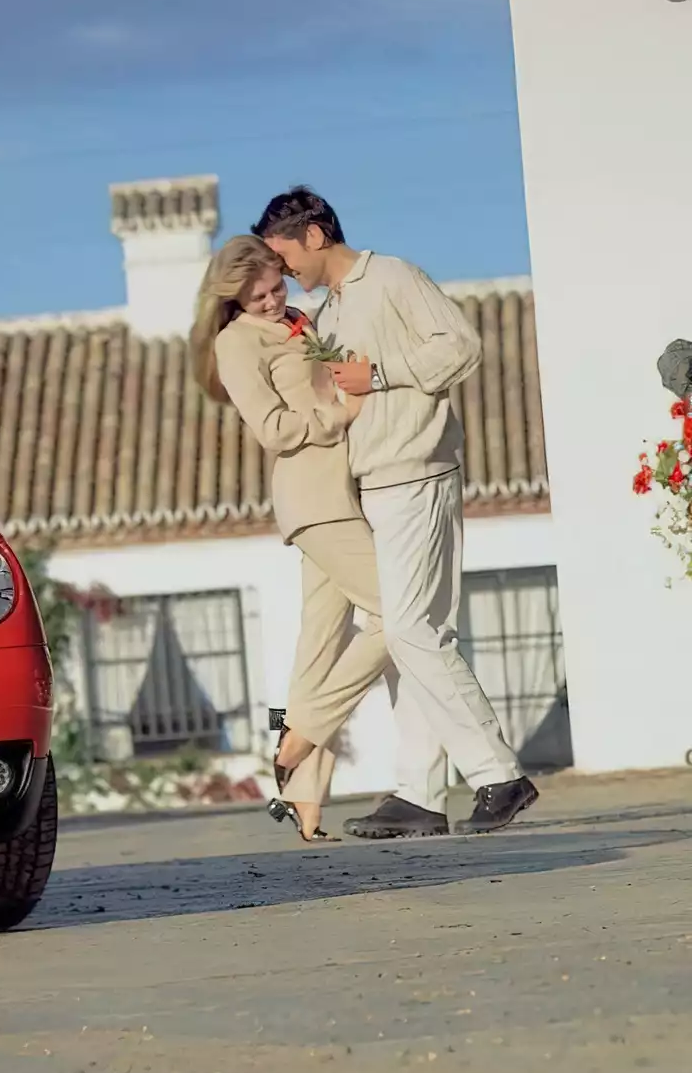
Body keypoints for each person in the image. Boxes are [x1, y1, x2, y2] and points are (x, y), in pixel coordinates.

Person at [254, 186, 539, 837]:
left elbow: (460, 346)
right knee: (404, 636)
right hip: (369, 486)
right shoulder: (327, 313)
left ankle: (499, 774)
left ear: (315, 235)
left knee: (412, 631)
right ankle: (420, 794)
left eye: (285, 255)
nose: (284, 271)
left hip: (417, 471)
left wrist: (379, 375)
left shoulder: (392, 277)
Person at [191, 236, 390, 842]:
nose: (274, 301)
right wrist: (341, 415)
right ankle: (301, 734)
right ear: (234, 299)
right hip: (313, 497)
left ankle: (303, 793)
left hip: (346, 488)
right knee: (400, 612)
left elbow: (334, 376)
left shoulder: (299, 320)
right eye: (259, 297)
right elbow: (274, 429)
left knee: (319, 647)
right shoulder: (235, 342)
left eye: (276, 287)